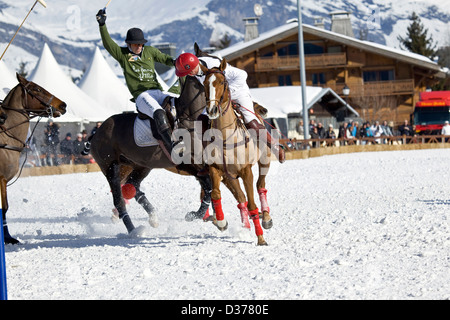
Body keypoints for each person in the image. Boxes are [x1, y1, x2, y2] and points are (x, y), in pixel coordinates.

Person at [96, 9, 182, 159]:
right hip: (141, 96)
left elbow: (165, 59)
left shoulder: (150, 51)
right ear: (129, 44)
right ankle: (171, 146)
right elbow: (108, 44)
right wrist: (102, 25)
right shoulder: (122, 55)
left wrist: (176, 62)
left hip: (157, 91)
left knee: (178, 105)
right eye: (136, 44)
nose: (139, 47)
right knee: (159, 113)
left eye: (141, 44)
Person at [174, 52, 285, 163]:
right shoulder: (196, 70)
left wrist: (226, 92)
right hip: (218, 97)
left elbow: (242, 75)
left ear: (192, 67)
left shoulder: (214, 65)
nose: (188, 75)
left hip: (238, 91)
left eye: (188, 72)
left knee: (250, 120)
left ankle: (275, 147)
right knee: (200, 122)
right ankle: (209, 159)